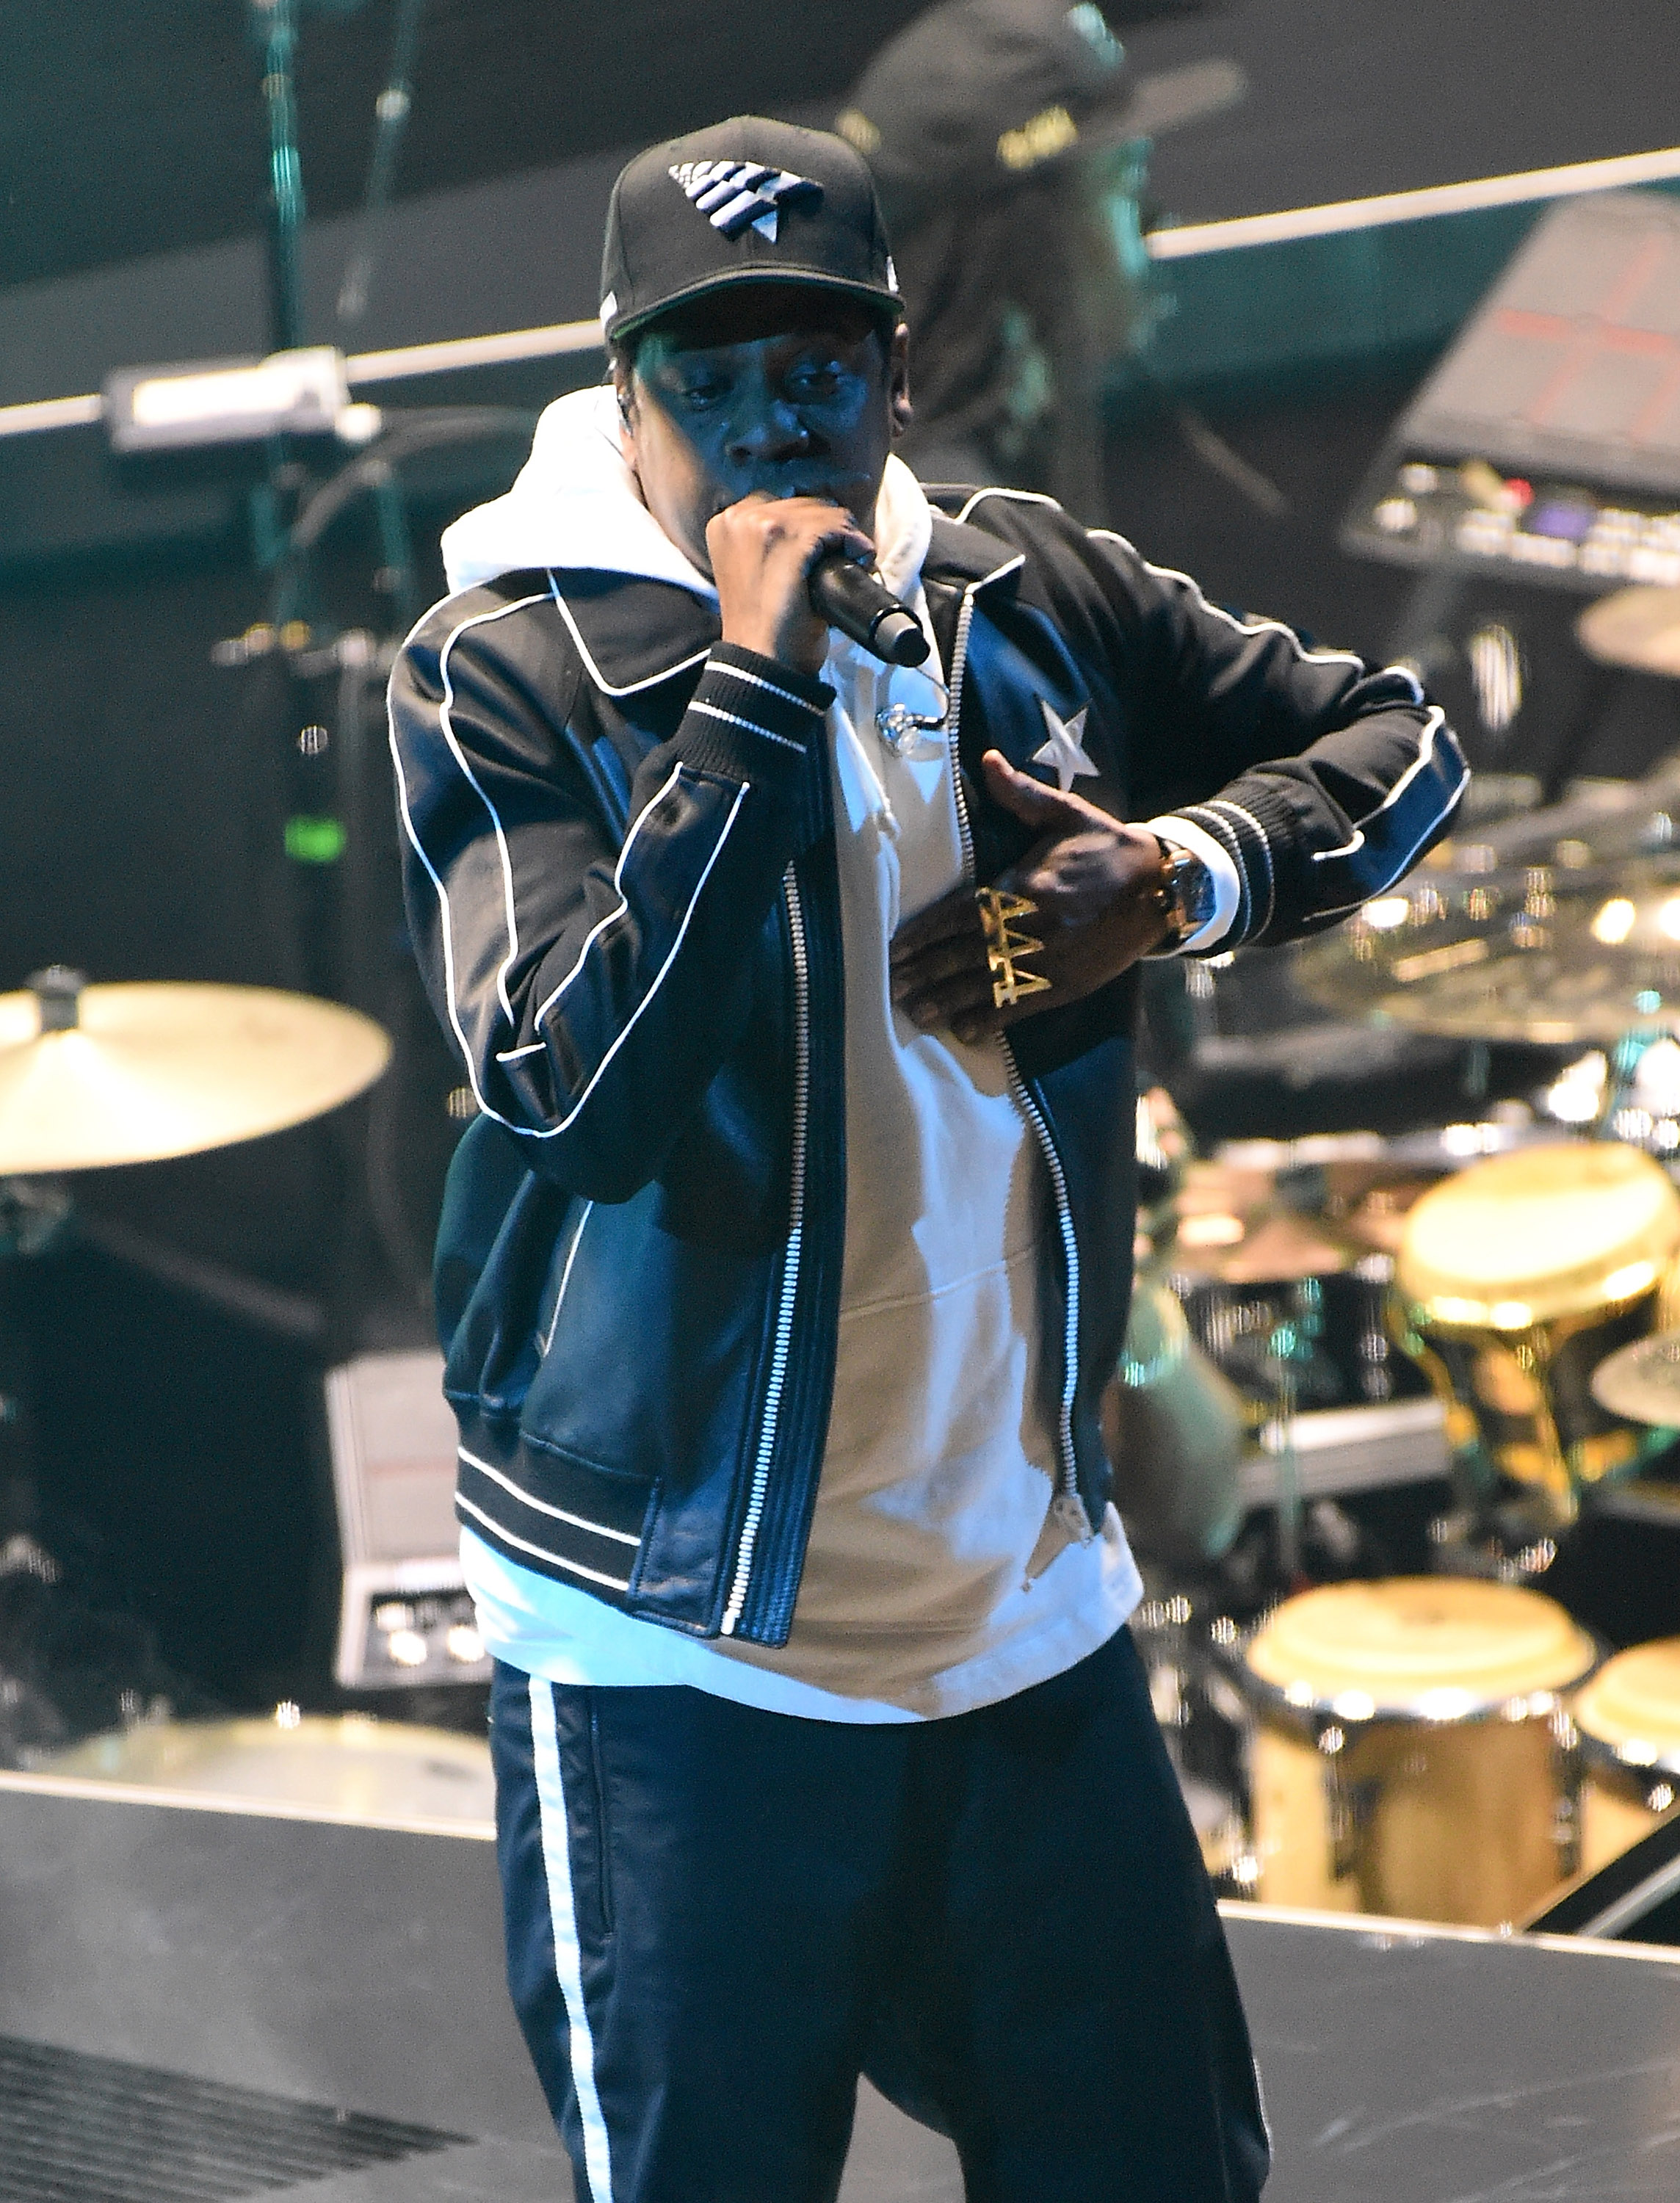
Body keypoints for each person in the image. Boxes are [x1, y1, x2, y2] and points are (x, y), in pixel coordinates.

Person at [388, 112, 1466, 2203]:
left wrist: (1175, 878)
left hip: (1021, 1624)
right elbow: (581, 1083)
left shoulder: (1024, 588)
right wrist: (752, 696)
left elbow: (1399, 740)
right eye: (706, 379)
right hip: (677, 1656)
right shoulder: (505, 666)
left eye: (813, 368)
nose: (765, 421)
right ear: (624, 401)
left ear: (891, 375)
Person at [836, 0, 1246, 513]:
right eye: (1124, 185)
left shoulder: (887, 469)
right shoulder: (963, 542)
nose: (1158, 225)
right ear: (1028, 249)